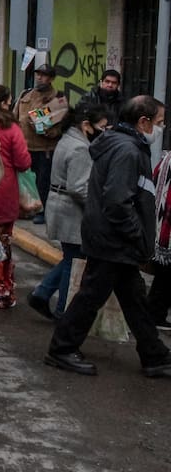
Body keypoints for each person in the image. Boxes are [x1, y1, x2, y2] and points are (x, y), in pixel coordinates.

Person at [46, 95, 171, 377]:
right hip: (114, 239)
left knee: (135, 298)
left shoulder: (121, 144)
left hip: (112, 238)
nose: (161, 129)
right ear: (143, 122)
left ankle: (155, 355)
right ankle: (61, 348)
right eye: (159, 123)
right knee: (91, 296)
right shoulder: (127, 151)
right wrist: (137, 234)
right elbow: (117, 201)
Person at [28, 102, 108, 320]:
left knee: (71, 258)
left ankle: (42, 293)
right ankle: (64, 311)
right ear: (86, 125)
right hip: (71, 211)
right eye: (101, 127)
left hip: (60, 205)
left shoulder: (69, 138)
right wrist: (96, 209)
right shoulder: (80, 147)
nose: (104, 132)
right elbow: (79, 187)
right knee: (73, 263)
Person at [0, 84, 32, 309]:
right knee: (3, 243)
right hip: (4, 191)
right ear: (4, 102)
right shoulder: (10, 128)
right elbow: (23, 162)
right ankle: (1, 291)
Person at [14, 63, 67, 224]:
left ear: (51, 78)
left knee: (43, 182)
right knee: (25, 181)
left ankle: (43, 211)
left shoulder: (58, 98)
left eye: (43, 75)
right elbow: (15, 117)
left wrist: (45, 128)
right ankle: (26, 208)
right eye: (38, 74)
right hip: (25, 146)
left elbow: (56, 125)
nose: (39, 77)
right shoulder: (26, 94)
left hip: (45, 148)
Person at [147, 150, 171, 331]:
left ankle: (154, 313)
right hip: (167, 229)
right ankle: (154, 314)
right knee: (166, 275)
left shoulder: (166, 158)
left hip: (160, 225)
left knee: (164, 275)